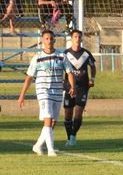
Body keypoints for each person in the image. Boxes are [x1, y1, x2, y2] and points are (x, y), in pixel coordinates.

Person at [17, 29, 75, 157]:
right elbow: (29, 77)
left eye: (51, 39)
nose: (49, 41)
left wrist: (72, 86)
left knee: (52, 122)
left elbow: (69, 72)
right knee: (48, 120)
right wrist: (22, 95)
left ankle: (38, 145)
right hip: (43, 91)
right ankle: (50, 150)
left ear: (54, 40)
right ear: (42, 41)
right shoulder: (37, 58)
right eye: (46, 39)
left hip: (57, 91)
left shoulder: (61, 56)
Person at [62, 29, 96, 146]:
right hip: (68, 87)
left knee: (78, 112)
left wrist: (92, 79)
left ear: (81, 39)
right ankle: (68, 137)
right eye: (75, 36)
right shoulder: (65, 54)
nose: (77, 39)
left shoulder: (86, 54)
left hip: (82, 87)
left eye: (79, 37)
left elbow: (93, 67)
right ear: (71, 38)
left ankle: (73, 136)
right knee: (68, 113)